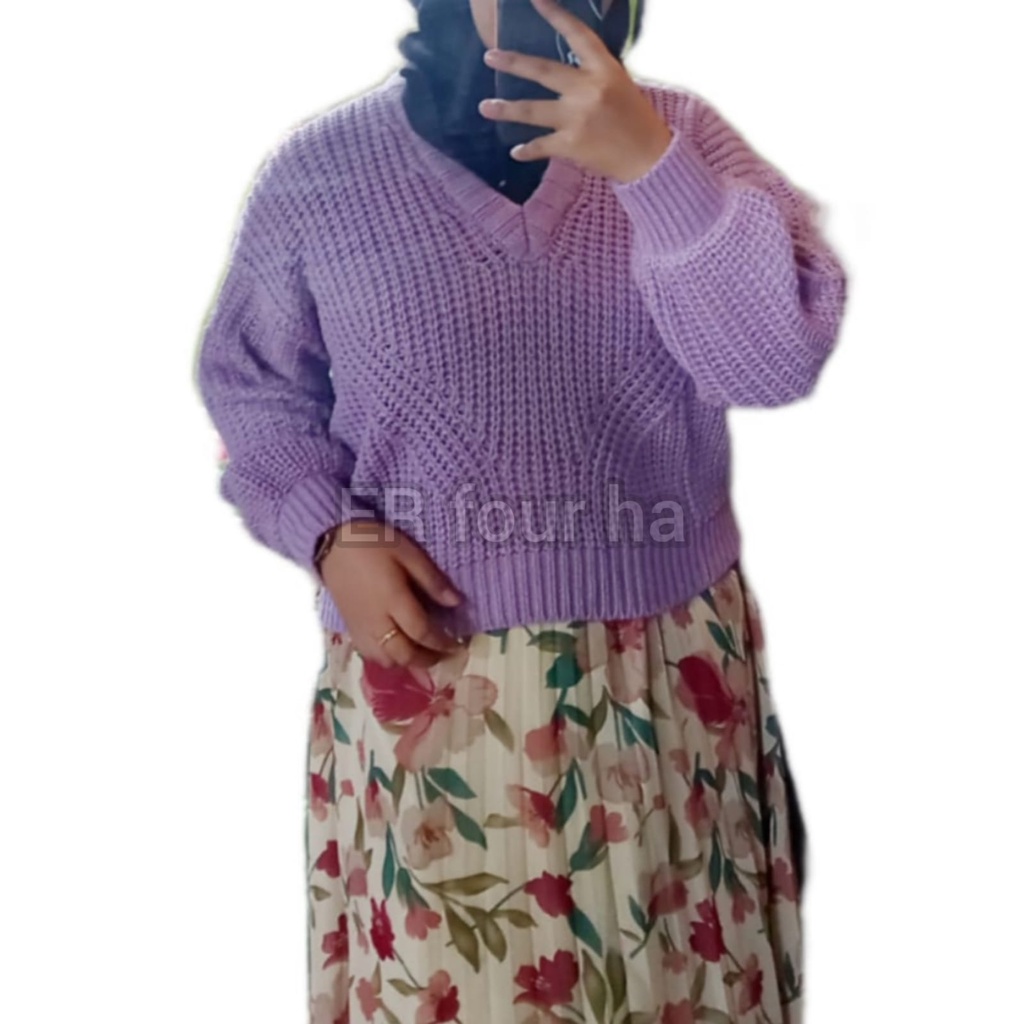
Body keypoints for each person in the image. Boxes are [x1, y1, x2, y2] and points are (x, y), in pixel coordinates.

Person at [194, 0, 847, 1020]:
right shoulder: (320, 176)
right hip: (430, 692)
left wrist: (653, 170)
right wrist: (328, 531)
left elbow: (768, 363)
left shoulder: (686, 142)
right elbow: (257, 391)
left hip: (665, 688)